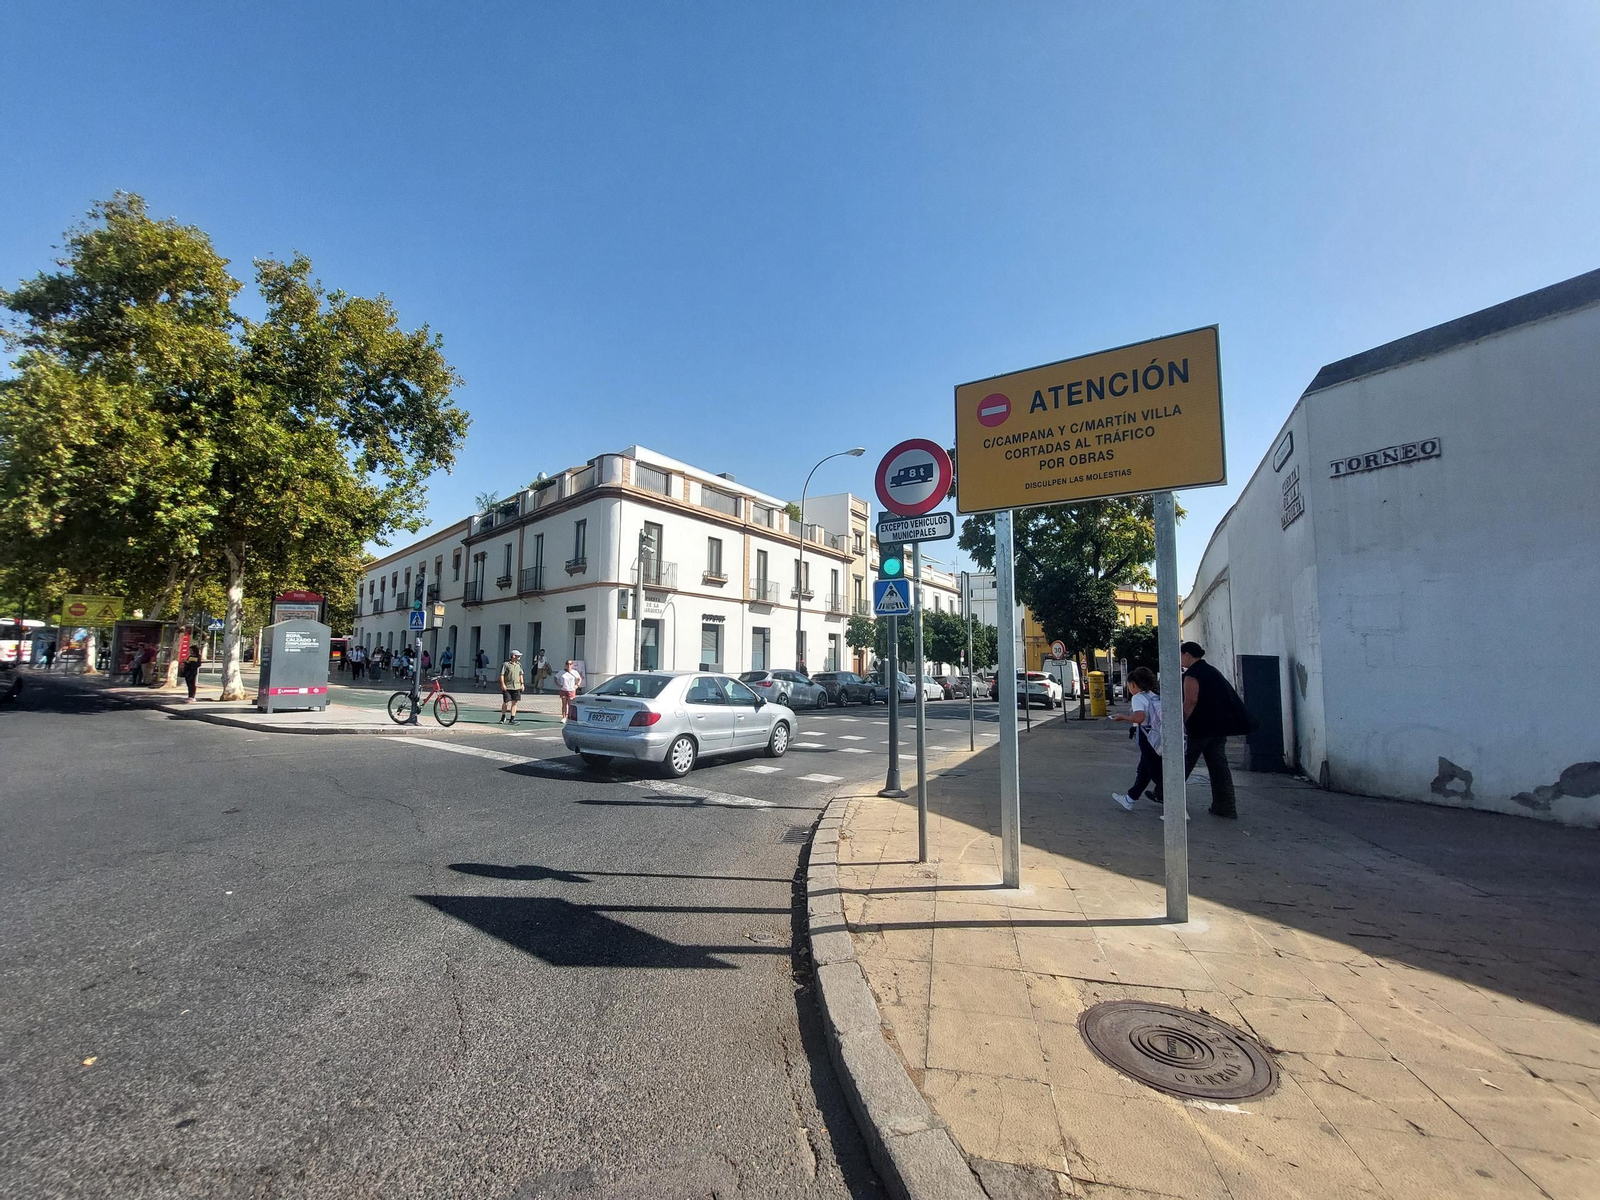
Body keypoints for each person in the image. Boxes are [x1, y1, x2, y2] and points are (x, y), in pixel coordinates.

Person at [1181, 642, 1252, 819]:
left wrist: (1180, 722)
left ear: (1188, 655)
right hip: (1219, 727)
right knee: (1219, 766)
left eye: (1182, 655)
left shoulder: (1192, 674)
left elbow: (1190, 701)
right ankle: (1226, 806)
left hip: (1199, 726)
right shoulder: (1212, 671)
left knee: (1183, 762)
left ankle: (1164, 794)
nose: (1181, 659)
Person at [1109, 666, 1163, 811]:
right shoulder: (1155, 695)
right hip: (1159, 736)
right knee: (1144, 770)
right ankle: (1130, 798)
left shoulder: (1138, 698)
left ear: (1133, 684)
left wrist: (1123, 717)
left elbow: (1140, 717)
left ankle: (1177, 806)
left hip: (1147, 738)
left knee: (1155, 772)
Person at [499, 649, 524, 724]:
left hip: (516, 686)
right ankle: (503, 716)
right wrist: (503, 684)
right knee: (506, 702)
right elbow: (502, 675)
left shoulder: (519, 665)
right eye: (517, 656)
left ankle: (512, 718)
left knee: (515, 702)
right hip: (507, 687)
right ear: (513, 656)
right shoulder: (506, 664)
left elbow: (520, 674)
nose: (519, 657)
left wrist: (522, 684)